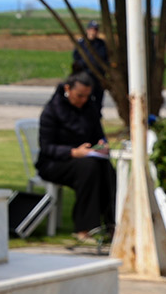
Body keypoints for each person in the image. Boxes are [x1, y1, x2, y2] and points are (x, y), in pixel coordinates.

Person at [36, 72, 116, 240]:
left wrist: (102, 144)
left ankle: (112, 223)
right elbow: (46, 147)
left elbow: (98, 135)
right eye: (79, 96)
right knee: (88, 168)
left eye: (87, 96)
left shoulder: (90, 109)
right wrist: (73, 152)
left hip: (87, 159)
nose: (83, 100)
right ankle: (85, 228)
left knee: (106, 168)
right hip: (54, 163)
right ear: (68, 89)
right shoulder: (52, 111)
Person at [69, 21, 111, 117]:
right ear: (87, 30)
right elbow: (76, 58)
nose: (93, 32)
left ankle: (97, 117)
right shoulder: (81, 43)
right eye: (91, 29)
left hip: (98, 77)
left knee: (98, 99)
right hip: (85, 76)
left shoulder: (101, 44)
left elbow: (104, 59)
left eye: (95, 30)